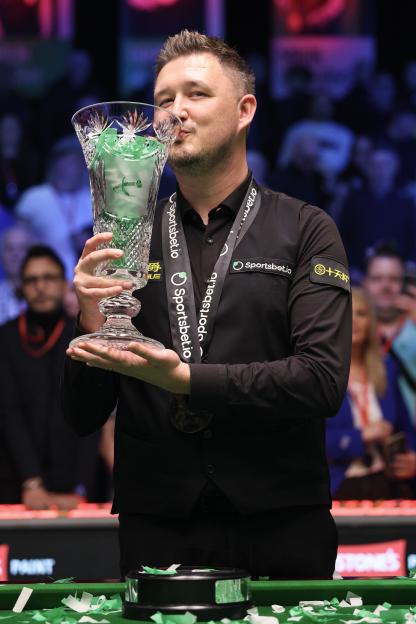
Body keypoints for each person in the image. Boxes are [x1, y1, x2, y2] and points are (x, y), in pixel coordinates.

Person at [62, 30, 351, 579]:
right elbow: (80, 417)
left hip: (281, 521)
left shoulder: (305, 228)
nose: (174, 113)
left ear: (245, 110)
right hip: (159, 527)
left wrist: (188, 379)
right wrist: (90, 319)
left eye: (195, 94)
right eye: (164, 100)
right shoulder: (119, 242)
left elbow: (321, 381)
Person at [0, 245, 99, 508]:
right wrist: (32, 482)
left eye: (49, 278)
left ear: (66, 284)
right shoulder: (5, 339)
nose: (41, 287)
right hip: (16, 485)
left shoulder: (83, 336)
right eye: (32, 280)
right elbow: (8, 413)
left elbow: (92, 416)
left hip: (77, 487)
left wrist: (82, 487)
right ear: (21, 287)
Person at [326, 288, 416, 499]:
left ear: (371, 322)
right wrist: (361, 436)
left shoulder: (386, 368)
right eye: (346, 313)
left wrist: (413, 460)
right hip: (336, 487)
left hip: (386, 485)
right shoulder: (318, 374)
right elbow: (306, 443)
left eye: (361, 314)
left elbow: (405, 429)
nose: (354, 321)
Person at [363, 243, 416, 428]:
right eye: (377, 278)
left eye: (394, 279)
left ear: (404, 284)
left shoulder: (414, 327)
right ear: (365, 282)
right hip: (375, 441)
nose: (386, 286)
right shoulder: (354, 332)